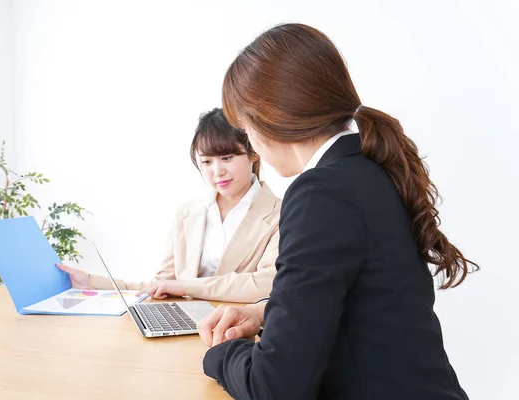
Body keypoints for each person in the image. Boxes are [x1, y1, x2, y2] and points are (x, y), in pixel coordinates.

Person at [198, 24, 478, 399]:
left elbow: (275, 388)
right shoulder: (371, 168)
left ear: (268, 118)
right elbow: (362, 296)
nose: (254, 148)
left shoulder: (319, 192)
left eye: (245, 131)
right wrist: (268, 311)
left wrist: (220, 353)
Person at [57, 108, 281, 303]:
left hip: (238, 335)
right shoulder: (189, 212)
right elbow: (162, 285)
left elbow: (265, 284)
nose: (217, 171)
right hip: (182, 326)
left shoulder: (280, 213)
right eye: (206, 161)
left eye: (227, 158)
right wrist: (91, 282)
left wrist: (186, 287)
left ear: (253, 152)